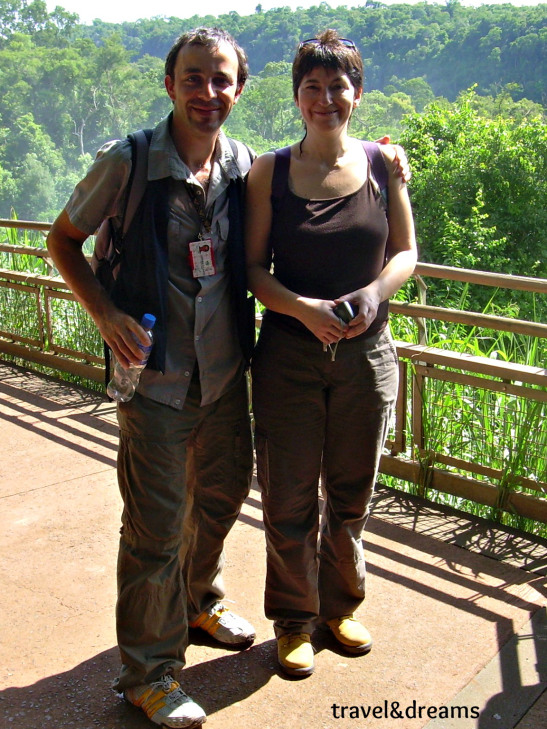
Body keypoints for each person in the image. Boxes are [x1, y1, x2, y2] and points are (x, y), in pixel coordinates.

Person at [47, 27, 257, 729]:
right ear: (169, 85)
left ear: (239, 88)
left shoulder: (242, 165)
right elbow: (61, 239)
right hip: (156, 381)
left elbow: (309, 175)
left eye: (220, 79)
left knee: (221, 499)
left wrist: (383, 158)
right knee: (154, 528)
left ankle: (198, 600)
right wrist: (102, 311)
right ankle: (150, 672)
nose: (207, 92)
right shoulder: (129, 161)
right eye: (193, 78)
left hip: (225, 378)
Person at [245, 29, 417, 678]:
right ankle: (291, 621)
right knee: (288, 495)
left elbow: (404, 251)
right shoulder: (271, 171)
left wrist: (373, 295)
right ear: (296, 98)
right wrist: (304, 310)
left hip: (366, 355)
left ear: (357, 92)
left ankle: (338, 608)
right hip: (288, 355)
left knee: (350, 494)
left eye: (337, 86)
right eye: (312, 88)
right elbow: (253, 269)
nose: (325, 98)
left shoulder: (380, 164)